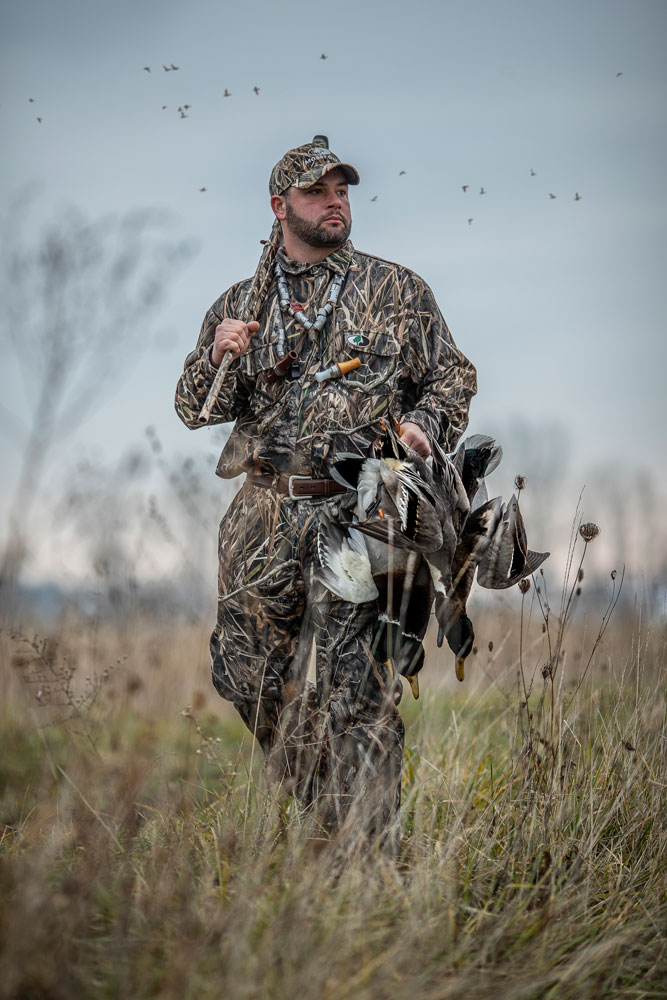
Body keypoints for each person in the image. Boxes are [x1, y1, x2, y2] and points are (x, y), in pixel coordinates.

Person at [175, 136, 477, 856]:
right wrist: (217, 355)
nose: (334, 201)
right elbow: (194, 408)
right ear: (280, 206)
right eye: (316, 192)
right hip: (262, 508)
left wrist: (422, 428)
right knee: (244, 673)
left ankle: (371, 857)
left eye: (341, 189)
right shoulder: (239, 304)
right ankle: (331, 812)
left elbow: (453, 377)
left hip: (361, 509)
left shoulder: (396, 290)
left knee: (356, 693)